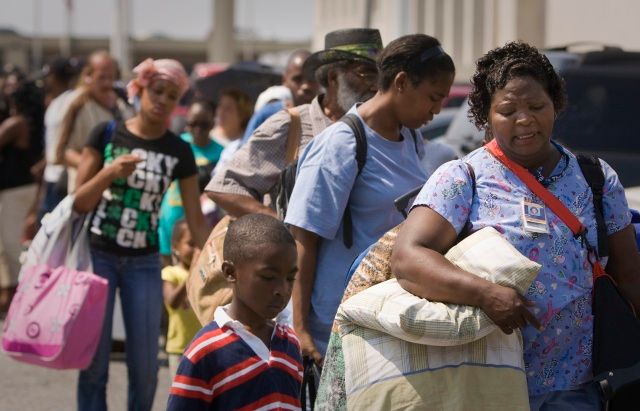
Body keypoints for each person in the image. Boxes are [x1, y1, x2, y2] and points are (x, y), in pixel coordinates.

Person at [390, 41, 640, 410]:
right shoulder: (463, 178)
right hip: (485, 384)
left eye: (537, 107)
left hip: (575, 388)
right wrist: (485, 294)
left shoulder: (597, 179)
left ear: (556, 105)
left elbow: (630, 277)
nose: (525, 120)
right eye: (508, 110)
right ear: (486, 116)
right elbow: (408, 258)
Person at [285, 33, 455, 363]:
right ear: (402, 82)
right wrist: (301, 328)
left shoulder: (411, 138)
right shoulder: (342, 145)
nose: (436, 110)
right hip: (334, 324)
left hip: (381, 318)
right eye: (433, 97)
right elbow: (303, 238)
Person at [73, 58, 209, 411]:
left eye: (171, 94)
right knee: (94, 363)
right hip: (99, 255)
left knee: (147, 366)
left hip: (144, 263)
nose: (162, 100)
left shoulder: (178, 150)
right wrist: (109, 173)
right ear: (140, 89)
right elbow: (79, 202)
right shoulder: (106, 134)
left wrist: (215, 262)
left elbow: (196, 221)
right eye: (156, 91)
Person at [206, 28, 383, 218]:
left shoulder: (388, 131)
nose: (375, 85)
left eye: (380, 76)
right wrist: (282, 229)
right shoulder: (292, 125)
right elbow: (225, 187)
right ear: (333, 77)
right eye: (366, 74)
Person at [167, 213, 301, 411]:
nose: (282, 289)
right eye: (268, 277)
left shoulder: (290, 342)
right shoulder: (204, 351)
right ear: (230, 272)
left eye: (290, 278)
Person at [55, 50, 134, 194]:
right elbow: (62, 153)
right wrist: (98, 167)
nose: (107, 83)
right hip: (86, 189)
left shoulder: (122, 102)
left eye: (111, 78)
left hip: (119, 190)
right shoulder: (78, 104)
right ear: (88, 76)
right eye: (101, 77)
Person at [158, 99, 223, 265]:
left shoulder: (222, 153)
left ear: (213, 123)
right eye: (193, 124)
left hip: (196, 230)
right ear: (186, 123)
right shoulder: (176, 145)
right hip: (168, 222)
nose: (198, 130)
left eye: (205, 124)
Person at [0, 81, 45, 314]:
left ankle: (17, 297)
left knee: (10, 245)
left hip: (15, 192)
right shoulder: (32, 123)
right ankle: (9, 294)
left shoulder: (16, 123)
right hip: (19, 190)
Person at [238, 50, 319, 146]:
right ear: (285, 79)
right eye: (298, 79)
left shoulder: (328, 118)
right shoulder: (271, 113)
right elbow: (246, 153)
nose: (306, 86)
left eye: (311, 79)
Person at [162, 219, 201, 378]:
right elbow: (172, 301)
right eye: (191, 244)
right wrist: (192, 273)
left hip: (202, 347)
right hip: (179, 348)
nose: (196, 249)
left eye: (199, 244)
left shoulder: (203, 275)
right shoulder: (170, 273)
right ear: (175, 247)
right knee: (181, 394)